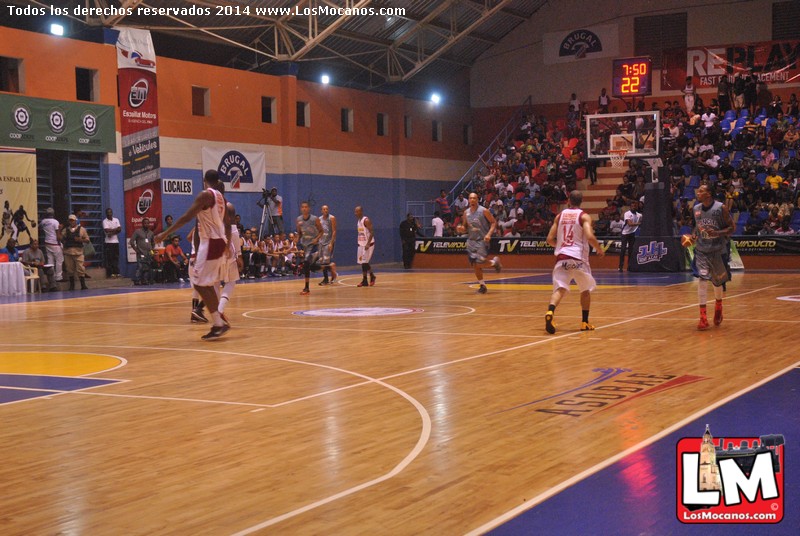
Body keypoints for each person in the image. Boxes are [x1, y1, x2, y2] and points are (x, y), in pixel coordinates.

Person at [155, 170, 232, 339]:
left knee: (198, 283)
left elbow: (186, 217)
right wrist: (227, 244)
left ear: (204, 181)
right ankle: (218, 321)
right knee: (205, 284)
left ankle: (218, 322)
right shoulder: (221, 197)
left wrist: (164, 234)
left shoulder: (206, 195)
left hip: (211, 242)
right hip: (217, 241)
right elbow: (227, 223)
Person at [544, 190, 605, 334]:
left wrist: (561, 246)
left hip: (562, 258)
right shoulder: (584, 216)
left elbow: (549, 239)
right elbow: (589, 236)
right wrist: (599, 249)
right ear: (581, 201)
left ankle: (550, 312)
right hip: (579, 259)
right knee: (585, 291)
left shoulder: (559, 216)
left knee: (560, 289)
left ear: (568, 201)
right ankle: (584, 322)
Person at [691, 184, 734, 331]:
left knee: (717, 282)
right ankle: (703, 318)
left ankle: (718, 307)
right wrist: (693, 236)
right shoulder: (696, 209)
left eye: (702, 190)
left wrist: (718, 233)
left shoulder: (721, 208)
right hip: (702, 250)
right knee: (702, 280)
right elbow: (697, 227)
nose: (698, 192)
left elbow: (732, 228)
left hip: (718, 249)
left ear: (709, 194)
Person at [457, 192, 502, 294]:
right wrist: (461, 229)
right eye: (470, 198)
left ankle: (494, 263)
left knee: (479, 263)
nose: (472, 200)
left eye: (474, 198)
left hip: (482, 240)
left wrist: (489, 234)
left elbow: (494, 222)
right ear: (468, 200)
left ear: (477, 200)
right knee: (475, 265)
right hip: (471, 241)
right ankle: (483, 285)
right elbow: (465, 228)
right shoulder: (466, 213)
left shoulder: (484, 211)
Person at [217, 198, 242, 326]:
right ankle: (219, 310)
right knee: (231, 282)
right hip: (228, 252)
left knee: (215, 282)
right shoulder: (229, 209)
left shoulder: (216, 221)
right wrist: (239, 256)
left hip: (214, 251)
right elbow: (235, 236)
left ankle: (213, 311)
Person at [296, 201, 323, 295]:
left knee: (307, 263)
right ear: (301, 209)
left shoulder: (314, 219)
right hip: (305, 245)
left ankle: (306, 287)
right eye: (302, 207)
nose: (304, 208)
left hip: (314, 244)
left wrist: (316, 239)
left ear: (309, 208)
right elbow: (299, 233)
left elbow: (321, 231)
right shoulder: (299, 220)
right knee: (308, 265)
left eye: (306, 207)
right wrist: (296, 240)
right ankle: (328, 267)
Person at [60, 214, 89, 290]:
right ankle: (72, 286)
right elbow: (61, 239)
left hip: (78, 252)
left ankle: (83, 285)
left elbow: (87, 240)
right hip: (68, 252)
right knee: (70, 269)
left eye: (73, 220)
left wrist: (80, 240)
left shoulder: (82, 229)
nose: (71, 222)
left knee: (81, 269)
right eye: (70, 220)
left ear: (76, 221)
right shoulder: (65, 230)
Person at [39, 208, 64, 283]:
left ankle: (51, 277)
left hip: (47, 242)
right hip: (55, 243)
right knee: (59, 260)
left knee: (50, 260)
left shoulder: (43, 221)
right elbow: (58, 235)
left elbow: (39, 227)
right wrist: (60, 230)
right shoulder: (55, 222)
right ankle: (58, 277)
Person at [355, 205, 376, 287]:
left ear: (361, 211)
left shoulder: (366, 220)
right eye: (355, 211)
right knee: (363, 262)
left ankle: (365, 280)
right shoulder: (358, 221)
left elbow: (372, 232)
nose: (355, 213)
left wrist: (367, 243)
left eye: (357, 211)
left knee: (364, 262)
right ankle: (372, 276)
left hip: (368, 244)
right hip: (361, 244)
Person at [130, 217, 155, 285]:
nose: (146, 224)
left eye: (147, 223)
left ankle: (145, 280)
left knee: (147, 267)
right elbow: (131, 241)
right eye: (145, 223)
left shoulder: (151, 233)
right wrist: (136, 250)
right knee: (140, 267)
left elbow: (153, 242)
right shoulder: (137, 231)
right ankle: (137, 280)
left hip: (148, 253)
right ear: (142, 224)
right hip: (141, 252)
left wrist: (152, 250)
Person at [618, 200, 641, 271]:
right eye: (632, 206)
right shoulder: (627, 214)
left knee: (631, 250)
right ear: (630, 207)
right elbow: (630, 224)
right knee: (623, 249)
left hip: (632, 233)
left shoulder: (639, 215)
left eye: (635, 206)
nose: (633, 207)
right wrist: (639, 224)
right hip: (625, 233)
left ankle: (629, 266)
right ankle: (620, 266)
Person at [318, 204, 338, 285]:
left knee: (326, 261)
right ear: (321, 210)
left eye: (327, 209)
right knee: (322, 261)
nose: (326, 210)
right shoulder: (319, 219)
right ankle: (333, 273)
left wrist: (331, 243)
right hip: (321, 242)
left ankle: (327, 278)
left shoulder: (332, 218)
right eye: (324, 209)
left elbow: (334, 231)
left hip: (328, 242)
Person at [102, 208, 122, 278]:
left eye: (110, 212)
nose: (109, 214)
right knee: (110, 258)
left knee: (116, 257)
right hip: (108, 242)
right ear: (106, 213)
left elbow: (119, 229)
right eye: (107, 212)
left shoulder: (116, 220)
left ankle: (116, 272)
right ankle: (111, 273)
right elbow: (107, 230)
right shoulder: (104, 221)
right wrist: (115, 230)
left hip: (115, 242)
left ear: (112, 213)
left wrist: (111, 232)